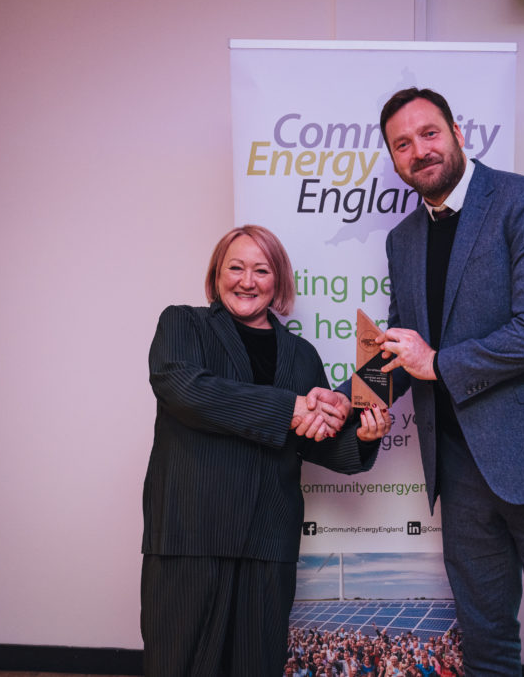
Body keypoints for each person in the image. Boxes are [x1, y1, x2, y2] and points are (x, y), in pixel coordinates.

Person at [361, 87, 524, 674]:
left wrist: (439, 363)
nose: (419, 151)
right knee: (484, 642)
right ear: (395, 161)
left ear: (457, 133)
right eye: (403, 145)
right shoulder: (403, 239)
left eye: (429, 133)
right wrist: (353, 402)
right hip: (460, 465)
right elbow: (403, 342)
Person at [141, 224, 391, 676]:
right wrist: (291, 407)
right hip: (192, 533)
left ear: (278, 282)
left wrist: (363, 438)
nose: (247, 280)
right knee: (176, 666)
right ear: (217, 274)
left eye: (262, 269)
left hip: (267, 539)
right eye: (235, 267)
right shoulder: (182, 323)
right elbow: (185, 390)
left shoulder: (301, 355)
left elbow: (314, 443)